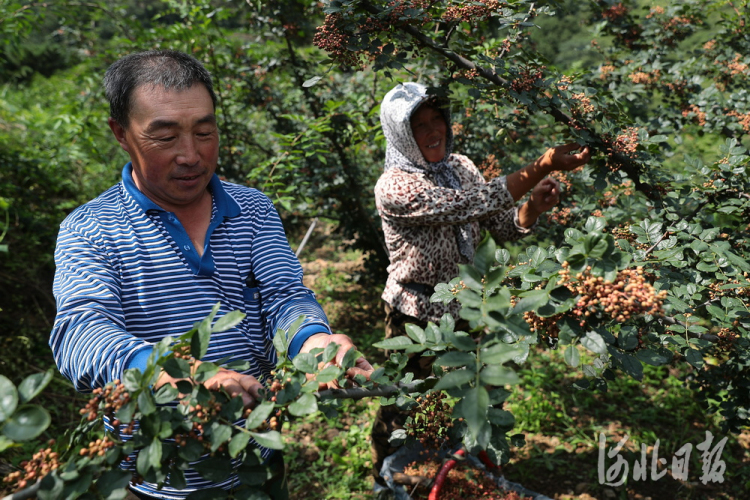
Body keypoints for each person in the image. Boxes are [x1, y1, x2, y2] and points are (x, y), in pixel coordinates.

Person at [49, 49, 372, 500]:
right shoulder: (91, 229)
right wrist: (171, 374)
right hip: (157, 476)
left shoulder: (253, 211)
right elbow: (80, 332)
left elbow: (284, 296)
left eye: (205, 132)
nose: (191, 155)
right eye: (164, 137)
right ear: (120, 134)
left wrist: (314, 340)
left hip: (257, 458)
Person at [370, 81, 591, 483]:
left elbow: (494, 223)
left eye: (438, 118)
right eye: (420, 125)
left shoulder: (461, 167)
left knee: (457, 399)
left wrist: (531, 209)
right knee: (405, 403)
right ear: (401, 134)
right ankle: (388, 478)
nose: (434, 129)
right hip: (416, 313)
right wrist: (541, 165)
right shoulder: (394, 186)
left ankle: (446, 473)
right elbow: (471, 204)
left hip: (464, 307)